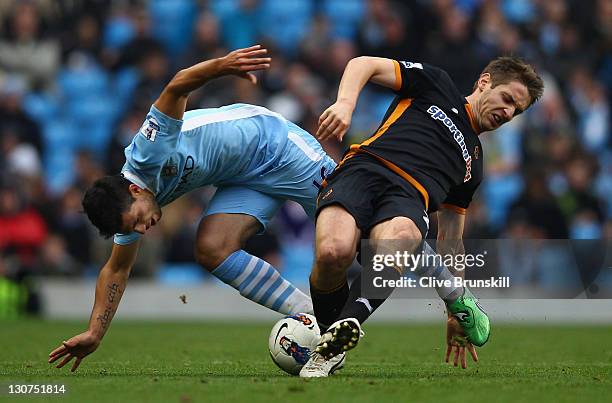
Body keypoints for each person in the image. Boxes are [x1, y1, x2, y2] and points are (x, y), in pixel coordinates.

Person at [47, 45, 340, 372]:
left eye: (138, 222)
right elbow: (115, 270)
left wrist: (223, 65)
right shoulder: (130, 207)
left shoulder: (148, 151)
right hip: (244, 179)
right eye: (134, 230)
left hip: (279, 148)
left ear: (134, 189)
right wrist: (95, 333)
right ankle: (317, 318)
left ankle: (363, 303)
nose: (143, 230)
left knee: (362, 239)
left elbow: (177, 85)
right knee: (212, 248)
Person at [299, 55, 544, 377]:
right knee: (333, 253)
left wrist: (454, 310)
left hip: (407, 198)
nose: (508, 112)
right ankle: (331, 335)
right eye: (508, 99)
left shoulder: (474, 164)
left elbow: (451, 241)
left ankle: (345, 329)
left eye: (517, 111)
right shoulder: (436, 84)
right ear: (484, 82)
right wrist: (345, 104)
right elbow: (363, 64)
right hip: (363, 170)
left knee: (403, 237)